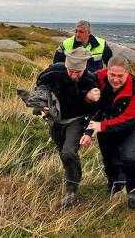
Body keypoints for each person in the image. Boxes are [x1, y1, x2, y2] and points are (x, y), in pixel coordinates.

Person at [81, 55, 135, 210]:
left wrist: (101, 127)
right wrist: (87, 96)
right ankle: (115, 185)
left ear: (127, 73)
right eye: (112, 75)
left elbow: (128, 119)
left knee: (131, 158)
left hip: (128, 127)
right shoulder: (98, 78)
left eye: (120, 76)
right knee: (110, 160)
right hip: (103, 124)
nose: (115, 79)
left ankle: (134, 192)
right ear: (107, 71)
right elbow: (81, 85)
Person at [36, 47, 101, 208]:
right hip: (55, 120)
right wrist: (41, 101)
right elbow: (40, 83)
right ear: (65, 66)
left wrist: (88, 132)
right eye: (70, 71)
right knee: (63, 152)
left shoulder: (91, 81)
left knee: (68, 152)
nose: (73, 75)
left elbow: (98, 112)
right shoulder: (53, 72)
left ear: (84, 68)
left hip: (77, 120)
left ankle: (71, 190)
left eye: (77, 72)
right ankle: (73, 174)